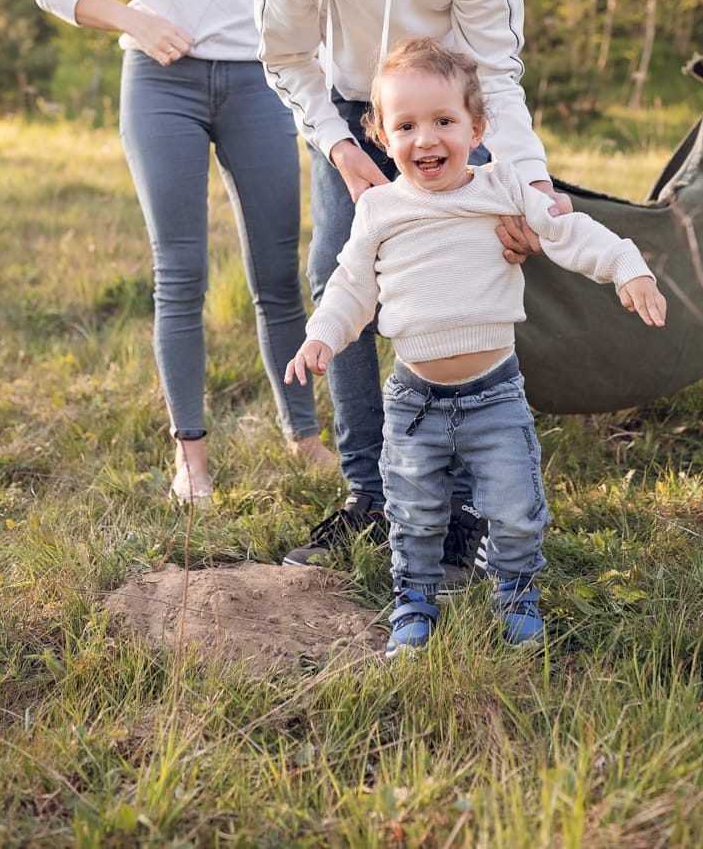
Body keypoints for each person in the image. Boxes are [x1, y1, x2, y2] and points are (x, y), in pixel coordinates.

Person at [232, 0, 575, 583]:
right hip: (353, 113)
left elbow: (496, 74)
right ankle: (372, 494)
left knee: (464, 275)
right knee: (338, 278)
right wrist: (340, 144)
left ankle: (459, 507)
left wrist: (525, 183)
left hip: (453, 111)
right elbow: (287, 63)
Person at [33, 0, 334, 505]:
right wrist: (133, 19)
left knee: (277, 275)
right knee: (180, 273)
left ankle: (304, 435)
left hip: (258, 85)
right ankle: (190, 457)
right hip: (160, 87)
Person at [285, 39, 667, 654]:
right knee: (412, 511)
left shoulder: (502, 188)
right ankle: (413, 601)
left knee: (515, 506)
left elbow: (567, 231)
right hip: (413, 402)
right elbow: (350, 286)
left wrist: (627, 265)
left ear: (476, 127)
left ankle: (514, 592)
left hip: (495, 394)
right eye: (406, 125)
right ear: (381, 136)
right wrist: (321, 336)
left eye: (443, 121)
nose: (426, 139)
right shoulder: (379, 208)